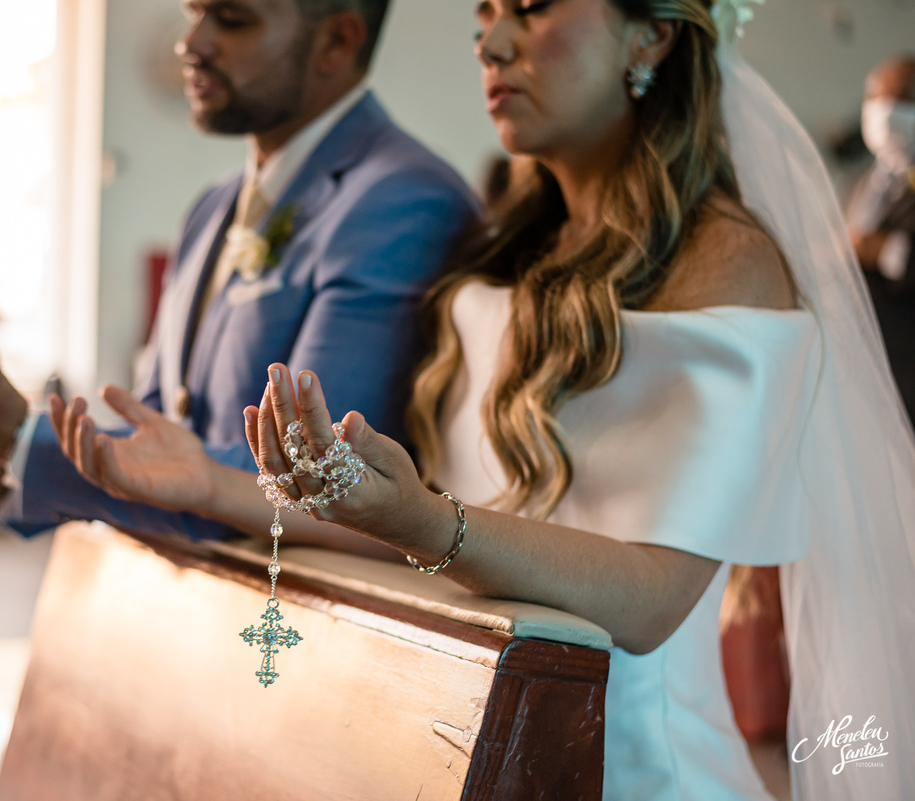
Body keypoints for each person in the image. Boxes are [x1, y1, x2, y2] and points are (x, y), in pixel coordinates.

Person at [58, 1, 914, 799]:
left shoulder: (729, 263)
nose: (493, 43)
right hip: (473, 740)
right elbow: (454, 540)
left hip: (631, 765)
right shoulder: (503, 249)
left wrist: (428, 520)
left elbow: (652, 598)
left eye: (534, 7)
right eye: (485, 13)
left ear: (649, 37)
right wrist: (209, 484)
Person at [0, 0, 478, 542]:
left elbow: (319, 480)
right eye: (195, 11)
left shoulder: (404, 201)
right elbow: (157, 430)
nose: (190, 43)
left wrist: (24, 441)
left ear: (335, 41)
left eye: (230, 17)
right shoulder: (212, 207)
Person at [845, 55, 915, 425]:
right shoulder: (863, 180)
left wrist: (884, 250)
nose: (882, 111)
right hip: (860, 361)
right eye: (875, 98)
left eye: (898, 98)